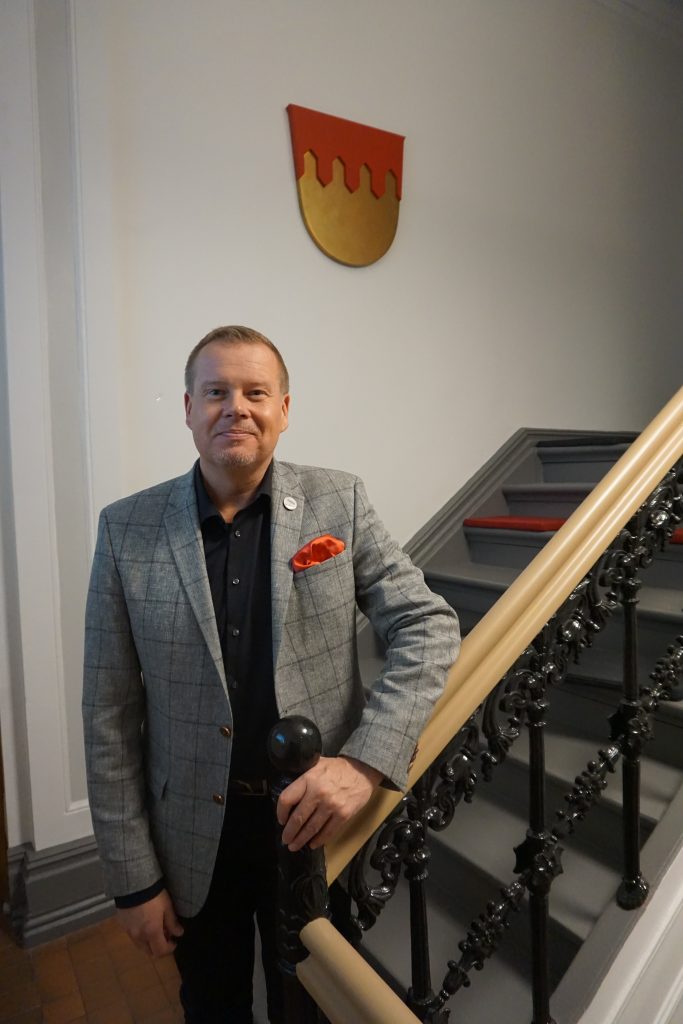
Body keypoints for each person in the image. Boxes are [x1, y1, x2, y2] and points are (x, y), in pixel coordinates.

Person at [82, 325, 460, 1024]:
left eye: (256, 392)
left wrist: (366, 762)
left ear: (283, 410)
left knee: (314, 1006)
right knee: (212, 1004)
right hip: (192, 833)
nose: (236, 407)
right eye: (216, 392)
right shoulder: (124, 530)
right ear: (189, 409)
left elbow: (428, 623)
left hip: (318, 823)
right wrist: (132, 880)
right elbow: (107, 713)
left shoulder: (338, 501)